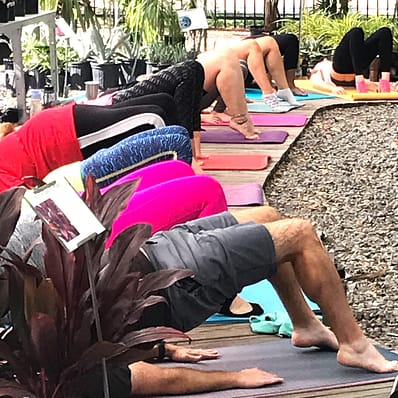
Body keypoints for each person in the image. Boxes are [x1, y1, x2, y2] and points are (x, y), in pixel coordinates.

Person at [73, 204, 398, 396]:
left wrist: (160, 348)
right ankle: (353, 345)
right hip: (178, 283)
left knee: (269, 216)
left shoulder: (33, 317)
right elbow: (141, 380)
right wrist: (234, 378)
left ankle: (306, 325)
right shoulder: (54, 370)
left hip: (155, 247)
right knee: (300, 234)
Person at [0, 95, 189, 193]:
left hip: (62, 135)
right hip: (60, 133)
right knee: (159, 109)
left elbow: (25, 201)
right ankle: (183, 182)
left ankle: (181, 184)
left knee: (154, 119)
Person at [310, 27, 393, 94]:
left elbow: (370, 84)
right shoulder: (319, 68)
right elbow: (315, 82)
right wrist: (332, 89)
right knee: (356, 32)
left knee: (385, 32)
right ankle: (359, 78)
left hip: (357, 66)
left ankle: (385, 80)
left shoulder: (325, 64)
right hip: (342, 67)